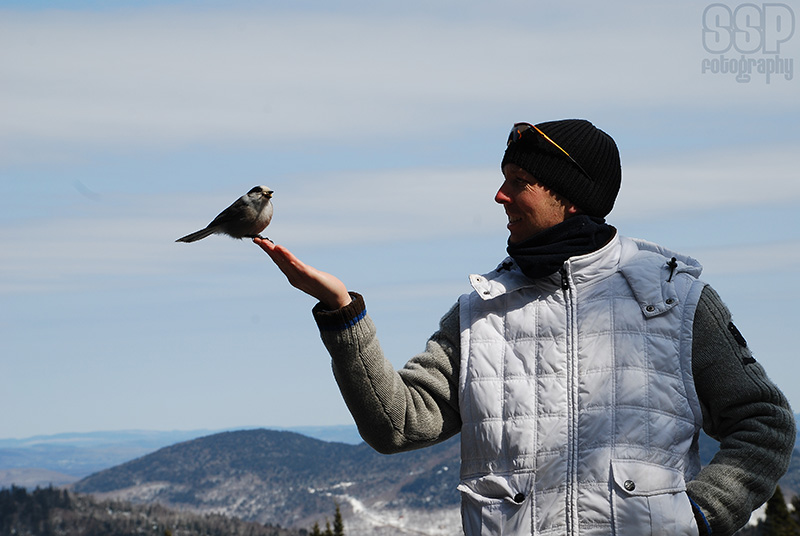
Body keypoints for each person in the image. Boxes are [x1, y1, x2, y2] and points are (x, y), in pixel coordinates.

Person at [254, 119, 796, 536]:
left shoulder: (673, 298)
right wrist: (341, 309)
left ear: (571, 196)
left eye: (520, 182)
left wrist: (700, 515)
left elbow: (764, 423)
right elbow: (397, 425)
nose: (499, 195)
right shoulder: (480, 312)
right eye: (502, 180)